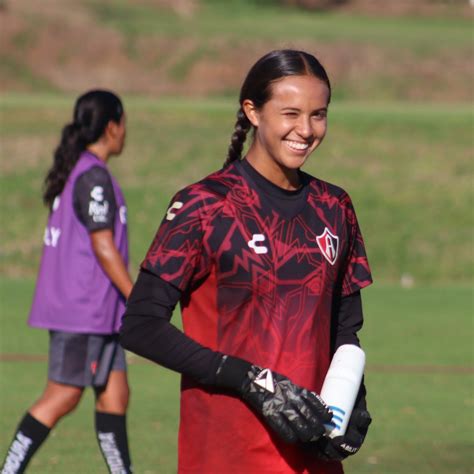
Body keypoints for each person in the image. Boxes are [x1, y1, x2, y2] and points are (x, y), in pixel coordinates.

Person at [120, 49, 372, 474]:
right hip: (225, 451)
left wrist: (354, 403)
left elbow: (345, 329)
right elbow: (141, 325)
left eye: (318, 115)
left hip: (311, 451)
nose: (306, 130)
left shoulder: (335, 206)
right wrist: (250, 380)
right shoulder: (203, 205)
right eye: (290, 113)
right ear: (252, 111)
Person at [1, 90, 133, 474]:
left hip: (102, 315)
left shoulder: (82, 170)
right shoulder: (93, 177)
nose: (126, 133)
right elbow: (102, 245)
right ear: (112, 127)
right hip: (85, 312)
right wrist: (137, 296)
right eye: (124, 124)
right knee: (62, 396)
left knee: (115, 397)